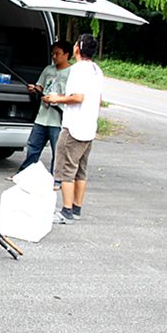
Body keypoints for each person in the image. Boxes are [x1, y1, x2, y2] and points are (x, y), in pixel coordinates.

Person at [44, 33, 104, 225]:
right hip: (89, 127)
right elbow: (98, 99)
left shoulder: (78, 70)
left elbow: (77, 97)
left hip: (74, 127)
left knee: (66, 169)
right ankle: (76, 208)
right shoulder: (96, 69)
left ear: (77, 48)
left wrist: (56, 98)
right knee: (81, 170)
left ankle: (66, 211)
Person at [13, 40, 73, 181]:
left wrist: (56, 98)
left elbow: (73, 96)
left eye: (57, 54)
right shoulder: (48, 70)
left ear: (66, 55)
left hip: (58, 120)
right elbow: (40, 87)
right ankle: (24, 175)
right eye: (53, 53)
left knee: (58, 150)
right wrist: (35, 89)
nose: (54, 56)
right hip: (42, 117)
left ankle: (56, 179)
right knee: (33, 147)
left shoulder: (72, 72)